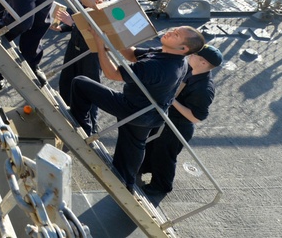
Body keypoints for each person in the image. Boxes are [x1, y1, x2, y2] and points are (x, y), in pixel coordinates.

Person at [69, 26, 206, 191]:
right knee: (132, 144)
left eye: (176, 34)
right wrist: (109, 36)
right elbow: (132, 54)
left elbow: (112, 74)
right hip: (152, 114)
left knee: (80, 83)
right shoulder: (172, 57)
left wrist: (99, 44)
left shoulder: (158, 66)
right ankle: (125, 183)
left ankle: (82, 126)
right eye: (175, 29)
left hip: (132, 108)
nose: (170, 31)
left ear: (183, 48)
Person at [139, 44, 222, 197]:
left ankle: (161, 186)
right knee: (152, 146)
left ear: (203, 62)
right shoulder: (191, 70)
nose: (190, 55)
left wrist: (172, 100)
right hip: (168, 119)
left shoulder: (204, 89)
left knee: (164, 156)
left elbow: (196, 117)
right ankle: (142, 167)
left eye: (195, 54)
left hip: (179, 126)